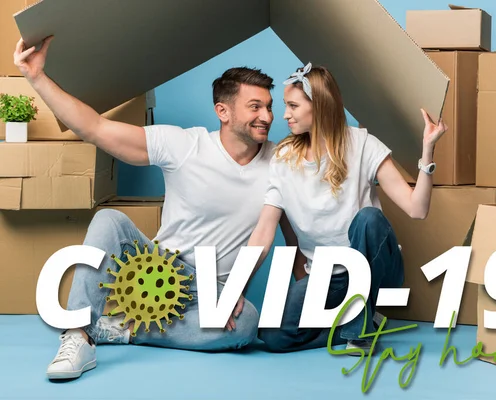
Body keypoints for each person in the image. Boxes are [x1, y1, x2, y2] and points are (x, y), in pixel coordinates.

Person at [13, 36, 306, 380]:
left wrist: (313, 308)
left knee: (246, 325)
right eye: (255, 106)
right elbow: (94, 128)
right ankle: (79, 335)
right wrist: (36, 77)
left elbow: (293, 237)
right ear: (223, 112)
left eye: (269, 107)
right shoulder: (184, 144)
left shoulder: (283, 162)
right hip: (158, 273)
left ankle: (122, 329)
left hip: (215, 293)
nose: (267, 116)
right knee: (109, 219)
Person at [246, 62, 448, 353]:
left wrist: (427, 151)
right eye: (285, 106)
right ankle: (352, 327)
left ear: (320, 106)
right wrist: (238, 287)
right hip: (326, 277)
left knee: (368, 219)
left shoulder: (363, 144)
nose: (285, 114)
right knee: (274, 337)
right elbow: (265, 229)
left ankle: (358, 329)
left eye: (293, 105)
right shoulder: (284, 158)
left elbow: (417, 209)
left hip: (376, 270)